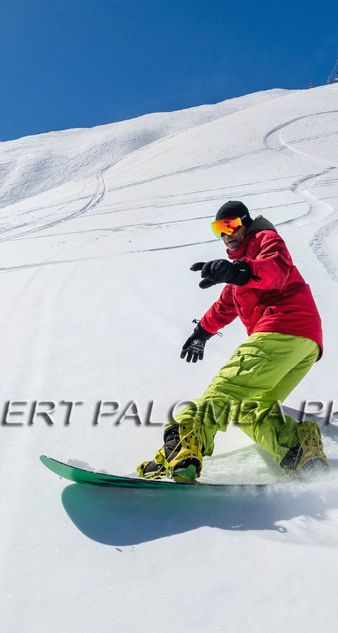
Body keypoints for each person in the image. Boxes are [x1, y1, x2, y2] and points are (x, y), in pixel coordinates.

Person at [138, 200, 328, 483]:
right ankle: (298, 452)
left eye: (230, 225)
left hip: (282, 326)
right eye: (219, 229)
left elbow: (273, 270)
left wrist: (237, 270)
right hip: (303, 344)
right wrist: (201, 334)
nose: (226, 234)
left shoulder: (266, 240)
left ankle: (181, 451)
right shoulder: (241, 271)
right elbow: (225, 305)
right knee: (248, 408)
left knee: (225, 390)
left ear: (245, 222)